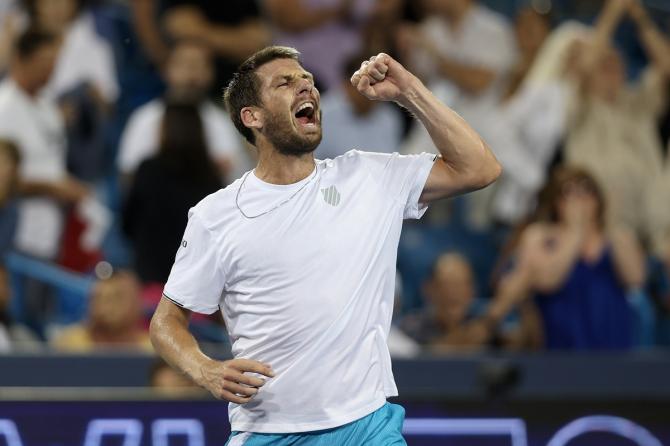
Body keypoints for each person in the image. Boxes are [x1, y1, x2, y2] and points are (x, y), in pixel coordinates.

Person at [150, 46, 500, 444]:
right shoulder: (216, 216)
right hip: (269, 431)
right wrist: (204, 369)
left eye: (309, 81)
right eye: (285, 83)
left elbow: (480, 168)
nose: (306, 89)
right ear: (253, 117)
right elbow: (166, 322)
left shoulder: (369, 176)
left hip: (368, 426)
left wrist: (409, 91)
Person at [486, 166, 645, 350]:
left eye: (587, 190)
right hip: (560, 345)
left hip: (612, 343)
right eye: (568, 192)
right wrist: (575, 233)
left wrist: (610, 222)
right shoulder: (540, 235)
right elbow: (547, 281)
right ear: (556, 201)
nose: (580, 200)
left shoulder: (617, 236)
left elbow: (635, 278)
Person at [0, 29, 89, 260]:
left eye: (54, 61)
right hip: (14, 233)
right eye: (44, 61)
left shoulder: (49, 106)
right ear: (20, 58)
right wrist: (51, 188)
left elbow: (52, 164)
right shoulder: (4, 106)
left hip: (51, 232)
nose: (50, 69)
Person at [122, 102, 223, 287]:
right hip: (196, 287)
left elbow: (127, 223)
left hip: (150, 283)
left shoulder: (148, 170)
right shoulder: (212, 177)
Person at [117, 40, 244, 180]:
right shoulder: (144, 118)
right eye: (185, 65)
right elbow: (130, 174)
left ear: (211, 73)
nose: (192, 75)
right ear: (167, 70)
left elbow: (233, 175)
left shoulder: (222, 121)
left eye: (200, 66)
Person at [315, 54, 403, 160]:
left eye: (375, 85)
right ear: (347, 85)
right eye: (365, 84)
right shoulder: (320, 115)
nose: (371, 92)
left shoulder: (389, 117)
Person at [51, 271, 151, 352]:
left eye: (117, 297)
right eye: (98, 297)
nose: (106, 306)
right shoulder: (70, 345)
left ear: (136, 302)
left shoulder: (152, 349)